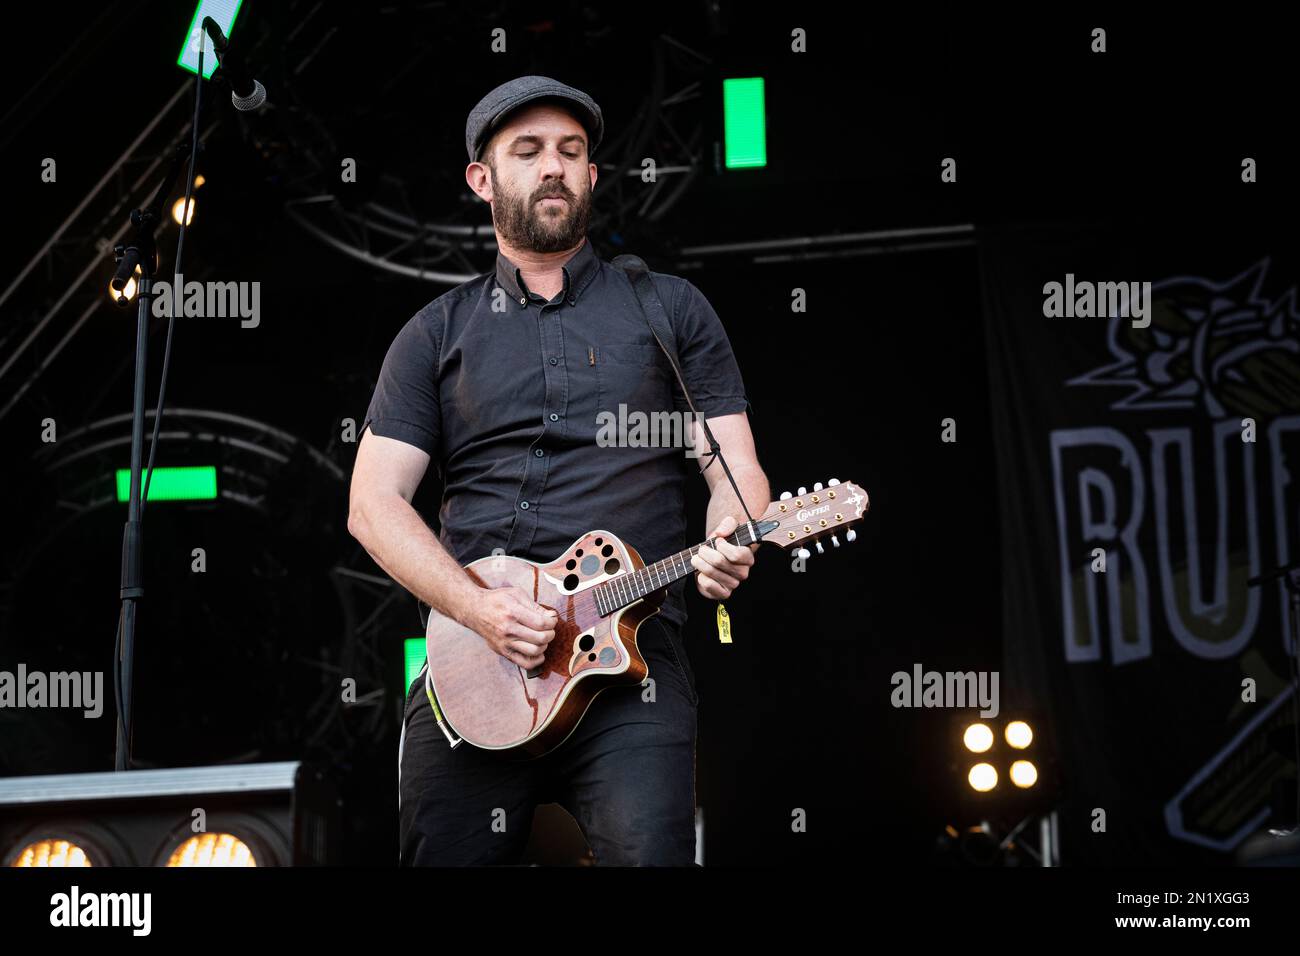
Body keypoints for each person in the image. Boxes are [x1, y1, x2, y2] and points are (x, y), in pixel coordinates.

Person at [347, 76, 770, 865]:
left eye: (572, 153)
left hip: (629, 658)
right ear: (483, 179)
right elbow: (373, 506)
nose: (554, 167)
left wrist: (732, 538)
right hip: (474, 664)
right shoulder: (434, 333)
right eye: (529, 151)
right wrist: (479, 611)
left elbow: (734, 475)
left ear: (593, 177)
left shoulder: (669, 308)